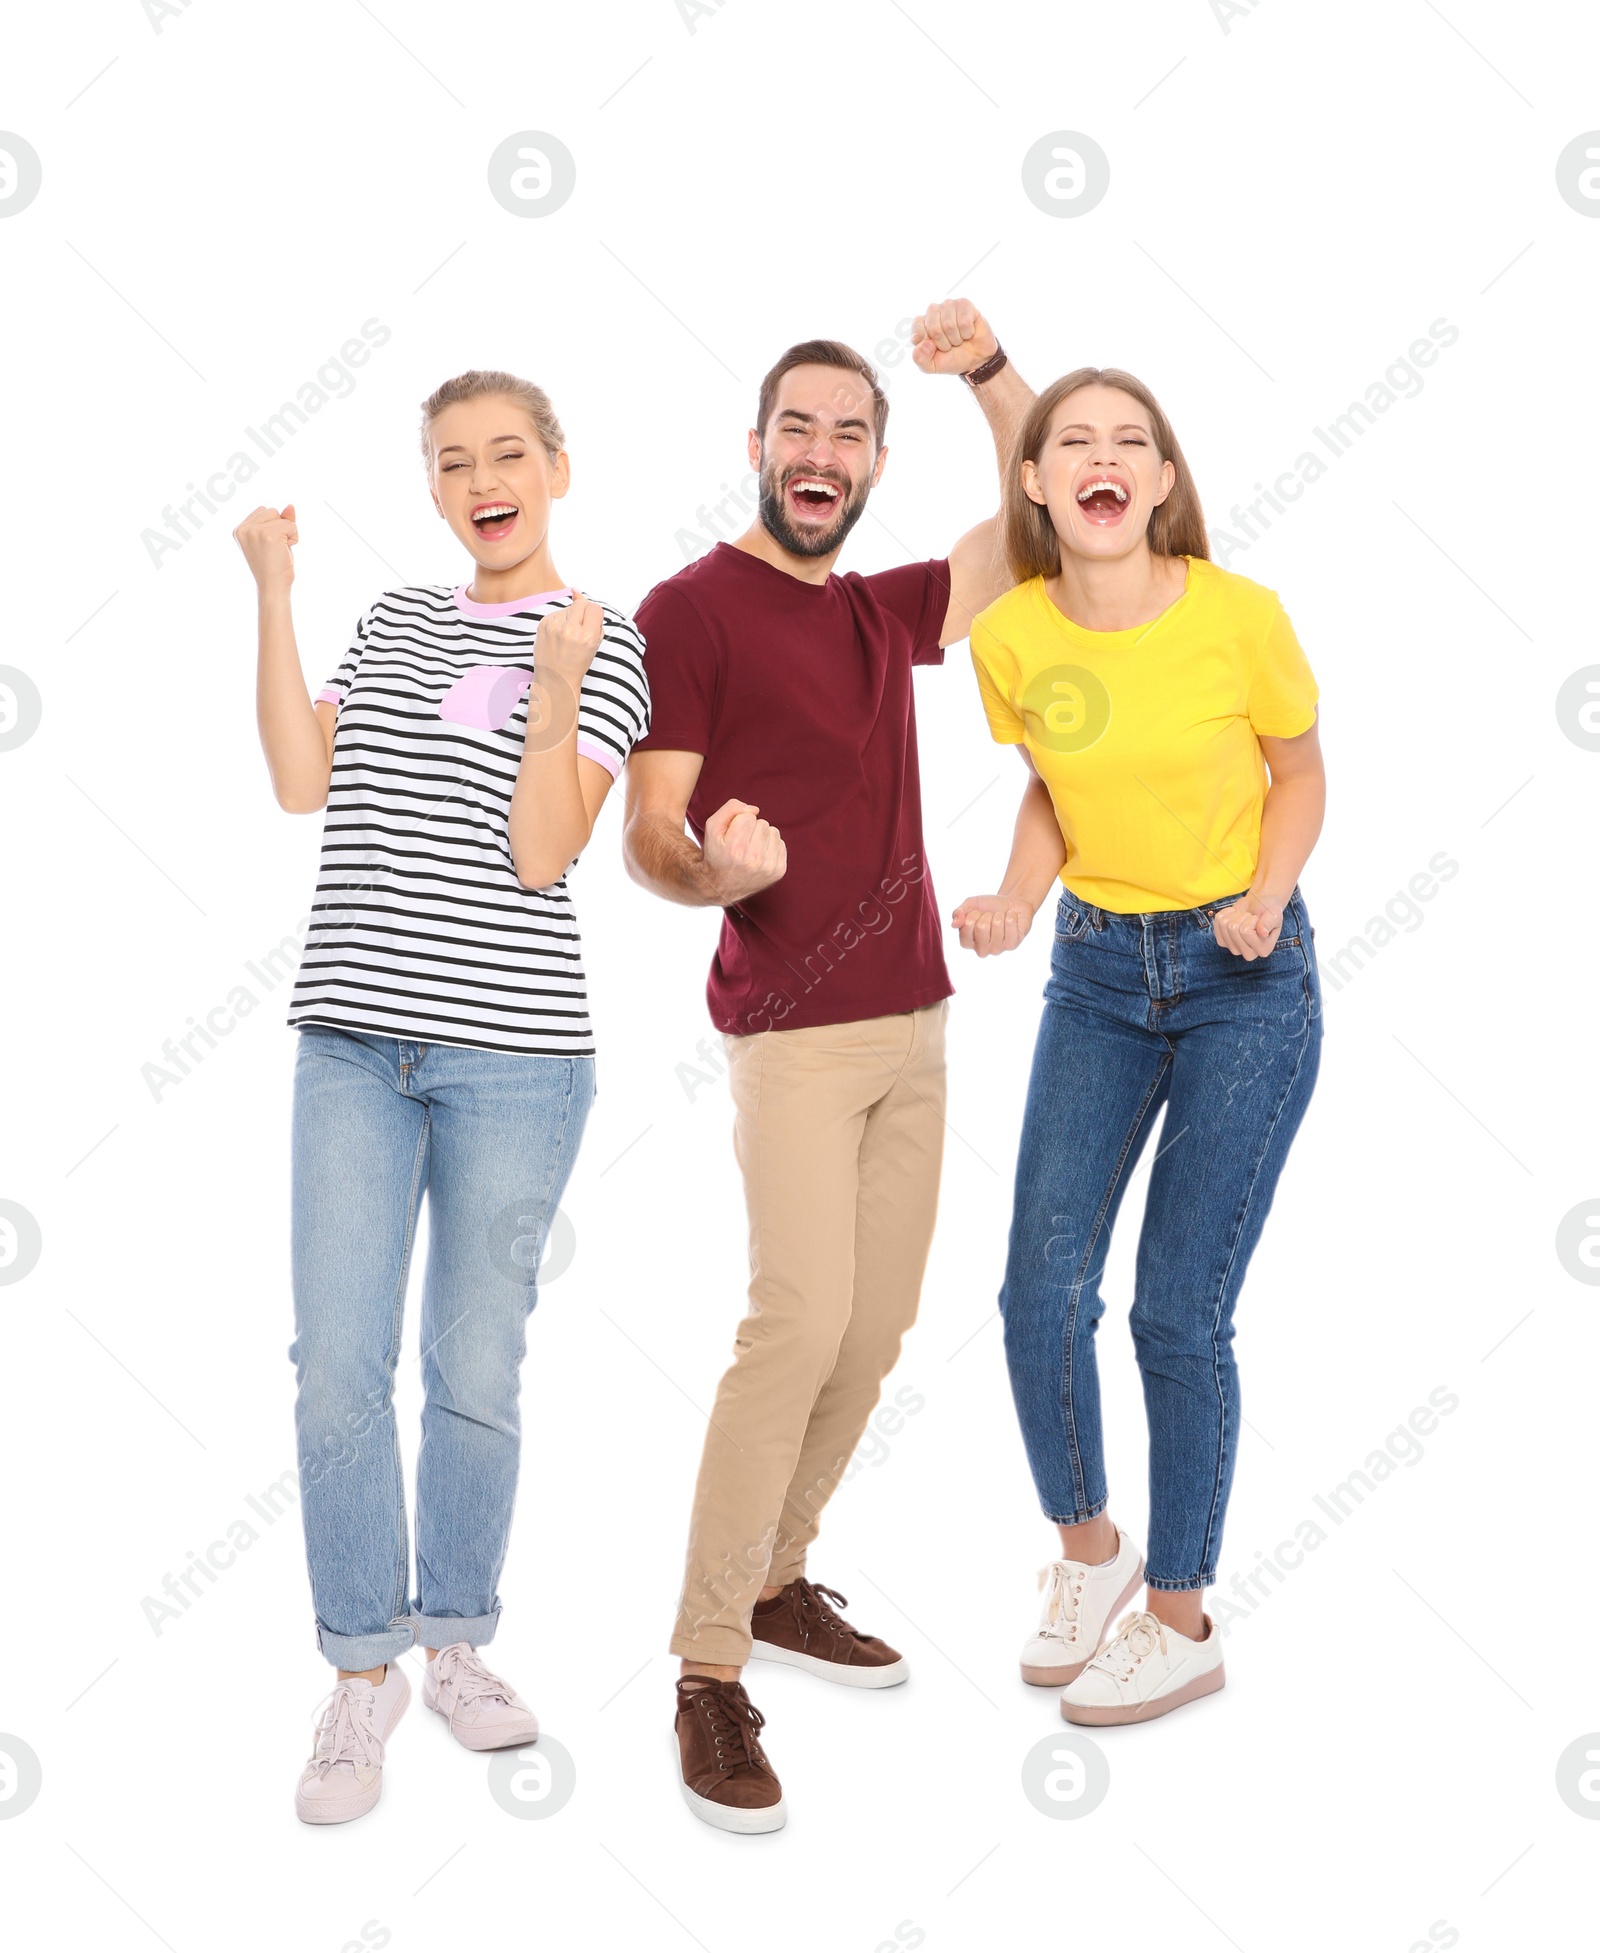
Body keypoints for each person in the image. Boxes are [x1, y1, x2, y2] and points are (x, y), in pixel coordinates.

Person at [623, 299, 1033, 1832]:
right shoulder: (690, 609)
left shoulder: (882, 612)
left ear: (871, 465)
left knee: (874, 1334)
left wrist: (993, 375)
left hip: (917, 1022)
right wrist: (708, 874)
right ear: (754, 449)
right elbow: (649, 833)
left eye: (848, 431)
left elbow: (1034, 515)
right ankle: (707, 1666)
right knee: (793, 1323)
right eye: (796, 425)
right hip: (790, 1035)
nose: (820, 450)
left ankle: (781, 1573)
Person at [232, 369, 650, 1823]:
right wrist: (276, 591)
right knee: (336, 1365)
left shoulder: (605, 640)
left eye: (509, 453)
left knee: (474, 1368)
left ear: (557, 466)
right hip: (350, 1042)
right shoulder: (398, 617)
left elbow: (545, 851)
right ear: (432, 486)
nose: (485, 477)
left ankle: (455, 1632)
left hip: (515, 1060)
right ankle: (364, 1673)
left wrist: (547, 683)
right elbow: (302, 779)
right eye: (454, 460)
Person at [953, 366, 1325, 1725]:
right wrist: (1015, 893)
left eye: (1132, 442)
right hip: (1099, 974)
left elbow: (1301, 771)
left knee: (1178, 1309)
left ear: (1162, 481)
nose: (1104, 460)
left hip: (1245, 975)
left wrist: (1269, 893)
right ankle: (1090, 1553)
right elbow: (1054, 785)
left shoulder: (1239, 616)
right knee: (1035, 1293)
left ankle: (1179, 1615)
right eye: (1073, 444)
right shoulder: (1014, 634)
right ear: (1040, 485)